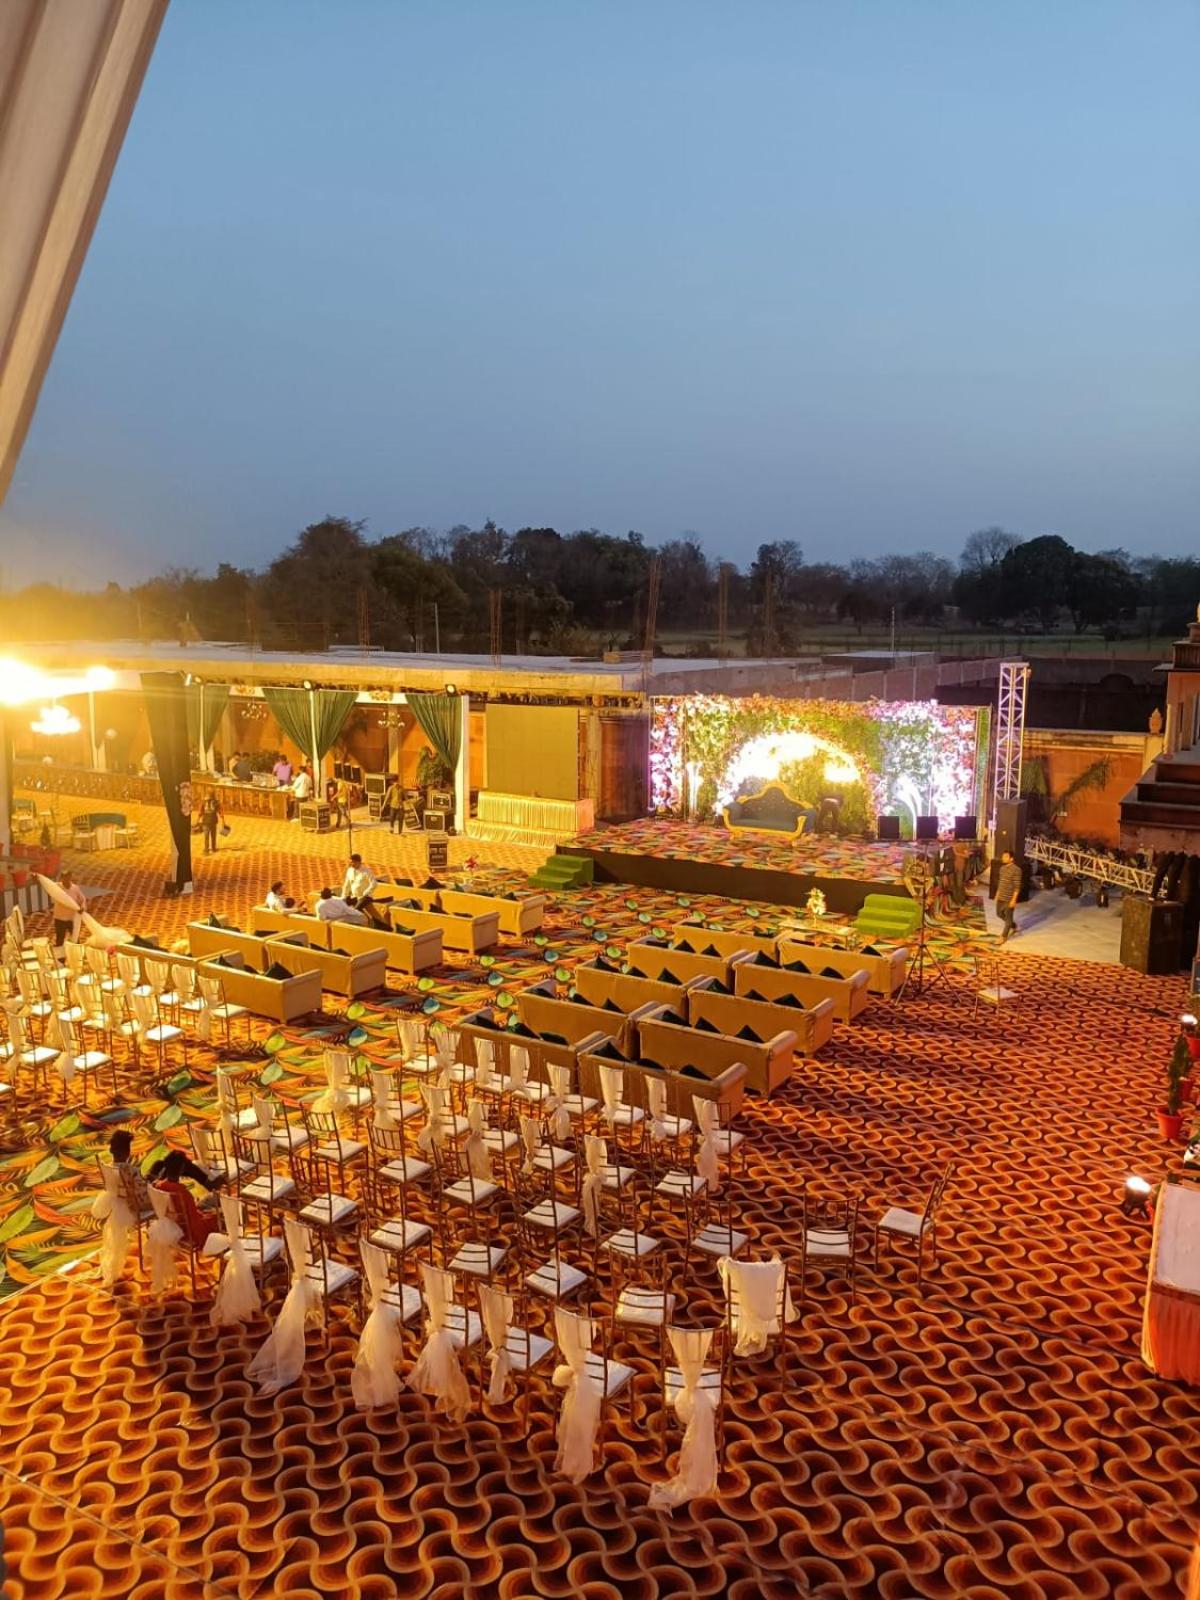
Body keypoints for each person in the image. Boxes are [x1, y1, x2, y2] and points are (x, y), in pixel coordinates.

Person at [153, 1150, 222, 1246]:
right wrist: (212, 1215)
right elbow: (195, 1222)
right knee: (218, 1204)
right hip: (189, 1228)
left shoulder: (158, 1186)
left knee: (211, 1199)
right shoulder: (182, 1192)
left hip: (176, 1222)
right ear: (182, 1170)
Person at [342, 853, 385, 927]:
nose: (351, 864)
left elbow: (374, 883)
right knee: (373, 913)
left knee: (356, 911)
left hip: (365, 897)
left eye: (353, 862)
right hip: (355, 896)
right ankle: (371, 922)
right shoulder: (350, 871)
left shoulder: (366, 871)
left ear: (358, 862)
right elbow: (347, 884)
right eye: (350, 862)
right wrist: (344, 896)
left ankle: (384, 927)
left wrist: (365, 893)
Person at [52, 870, 87, 949]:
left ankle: (77, 953)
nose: (66, 880)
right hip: (59, 919)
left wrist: (82, 907)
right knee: (60, 940)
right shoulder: (57, 887)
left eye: (68, 877)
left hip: (72, 919)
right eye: (64, 878)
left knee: (75, 939)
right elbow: (47, 885)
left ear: (70, 877)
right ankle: (60, 956)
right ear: (61, 878)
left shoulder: (75, 888)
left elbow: (82, 899)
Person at [995, 849, 1022, 942]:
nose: (1003, 858)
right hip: (1001, 896)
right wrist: (997, 894)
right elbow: (1000, 882)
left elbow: (1017, 886)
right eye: (1003, 856)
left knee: (1008, 917)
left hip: (1009, 898)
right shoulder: (1002, 869)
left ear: (1011, 858)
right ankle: (1013, 925)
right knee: (999, 914)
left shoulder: (1017, 870)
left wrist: (1014, 900)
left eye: (1006, 856)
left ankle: (1003, 936)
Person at [199, 790, 223, 854]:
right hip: (207, 821)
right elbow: (200, 811)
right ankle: (208, 849)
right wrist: (198, 819)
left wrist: (222, 817)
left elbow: (219, 811)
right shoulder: (204, 802)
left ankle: (212, 848)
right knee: (208, 835)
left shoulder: (215, 802)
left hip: (211, 821)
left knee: (211, 835)